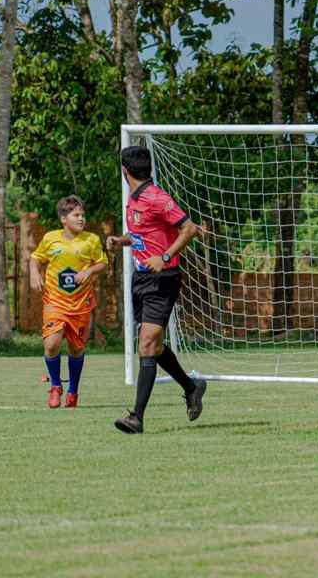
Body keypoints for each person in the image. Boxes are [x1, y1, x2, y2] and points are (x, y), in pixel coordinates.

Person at [105, 145, 205, 434]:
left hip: (164, 278)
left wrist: (163, 257)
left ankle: (136, 417)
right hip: (141, 278)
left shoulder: (156, 196)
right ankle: (191, 387)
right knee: (154, 346)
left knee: (146, 344)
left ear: (125, 171)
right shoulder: (135, 199)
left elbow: (188, 228)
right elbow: (141, 234)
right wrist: (120, 241)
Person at [29, 195, 108, 408]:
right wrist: (33, 273)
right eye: (76, 215)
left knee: (76, 349)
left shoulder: (91, 240)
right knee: (52, 344)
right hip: (55, 301)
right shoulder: (50, 238)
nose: (81, 219)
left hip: (81, 303)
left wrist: (89, 270)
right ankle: (55, 386)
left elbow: (102, 264)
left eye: (83, 215)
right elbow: (35, 258)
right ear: (64, 218)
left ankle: (73, 391)